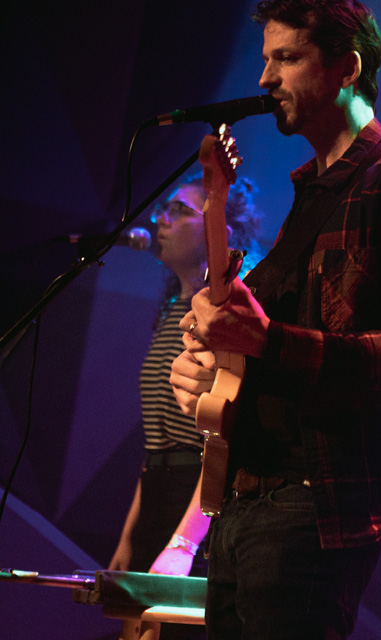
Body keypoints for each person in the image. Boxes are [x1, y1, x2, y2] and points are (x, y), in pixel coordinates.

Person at [169, 0, 381, 640]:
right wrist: (209, 369)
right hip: (240, 504)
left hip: (315, 500)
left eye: (286, 58)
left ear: (346, 68)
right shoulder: (308, 195)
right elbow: (265, 345)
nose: (263, 78)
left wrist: (268, 342)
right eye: (264, 59)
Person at [108, 172, 263, 625]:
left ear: (220, 232)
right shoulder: (173, 309)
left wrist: (183, 543)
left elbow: (221, 440)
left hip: (199, 503)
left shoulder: (224, 315)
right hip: (157, 494)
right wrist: (129, 535)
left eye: (179, 211)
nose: (161, 220)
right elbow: (156, 444)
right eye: (164, 210)